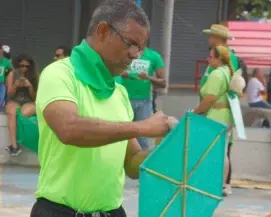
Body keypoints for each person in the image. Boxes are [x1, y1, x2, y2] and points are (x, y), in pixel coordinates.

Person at [29, 2, 172, 217]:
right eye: (131, 43)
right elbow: (69, 129)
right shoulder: (59, 74)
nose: (135, 55)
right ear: (103, 31)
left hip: (111, 212)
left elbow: (132, 164)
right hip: (60, 212)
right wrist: (142, 127)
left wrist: (170, 150)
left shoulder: (119, 92)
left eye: (141, 48)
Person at [193, 45, 241, 197]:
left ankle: (210, 184)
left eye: (211, 57)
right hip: (226, 116)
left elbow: (210, 98)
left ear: (219, 58)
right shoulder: (228, 71)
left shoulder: (216, 75)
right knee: (222, 152)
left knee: (211, 152)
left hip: (216, 116)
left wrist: (196, 111)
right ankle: (220, 184)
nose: (208, 60)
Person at [121, 47, 166, 150]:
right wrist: (128, 74)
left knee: (143, 138)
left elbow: (163, 83)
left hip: (144, 102)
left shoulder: (154, 56)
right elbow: (113, 70)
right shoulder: (124, 52)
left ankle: (141, 163)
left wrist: (148, 78)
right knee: (122, 135)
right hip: (123, 100)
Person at [4, 54, 38, 156]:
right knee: (11, 112)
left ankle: (24, 142)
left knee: (21, 115)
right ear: (17, 65)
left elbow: (35, 98)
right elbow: (9, 95)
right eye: (21, 65)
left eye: (26, 66)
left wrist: (30, 87)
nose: (23, 68)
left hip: (29, 101)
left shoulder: (35, 75)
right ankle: (14, 146)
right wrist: (15, 86)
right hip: (15, 100)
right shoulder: (12, 74)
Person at [0, 45, 13, 109]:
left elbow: (11, 70)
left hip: (3, 82)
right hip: (3, 82)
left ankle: (5, 106)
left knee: (3, 96)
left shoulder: (6, 61)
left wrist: (6, 77)